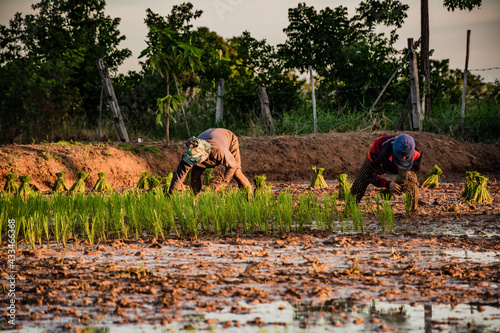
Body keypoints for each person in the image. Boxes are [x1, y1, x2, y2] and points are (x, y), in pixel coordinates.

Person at [168, 128, 252, 195]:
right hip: (209, 135)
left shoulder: (219, 150)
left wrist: (221, 184)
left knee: (237, 173)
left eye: (195, 160)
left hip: (228, 138)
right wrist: (170, 196)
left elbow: (232, 166)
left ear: (202, 155)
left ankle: (249, 197)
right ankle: (195, 199)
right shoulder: (190, 153)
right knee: (194, 176)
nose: (193, 162)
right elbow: (178, 177)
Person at [350, 134, 423, 203]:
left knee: (411, 180)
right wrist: (388, 184)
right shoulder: (384, 154)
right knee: (360, 183)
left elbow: (414, 172)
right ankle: (350, 208)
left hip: (394, 159)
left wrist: (402, 183)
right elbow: (369, 175)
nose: (403, 159)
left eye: (406, 157)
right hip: (377, 154)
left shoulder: (417, 151)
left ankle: (412, 211)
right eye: (401, 157)